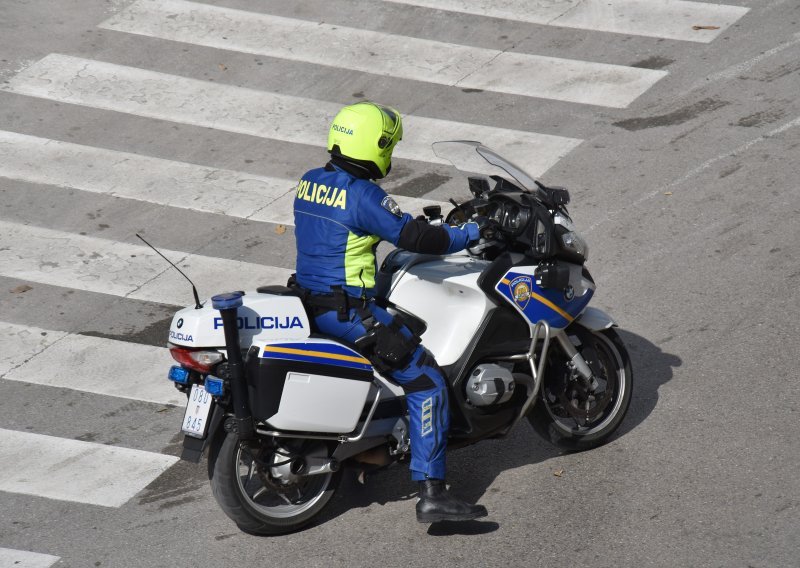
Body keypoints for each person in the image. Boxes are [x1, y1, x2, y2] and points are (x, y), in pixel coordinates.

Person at [292, 101, 488, 523]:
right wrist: (471, 231)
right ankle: (433, 492)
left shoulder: (310, 181)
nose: (391, 155)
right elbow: (417, 237)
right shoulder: (363, 195)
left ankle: (377, 447)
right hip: (347, 313)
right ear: (375, 145)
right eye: (389, 146)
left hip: (309, 302)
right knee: (426, 380)